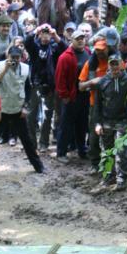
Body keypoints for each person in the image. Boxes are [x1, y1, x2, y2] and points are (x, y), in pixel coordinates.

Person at [0, 45, 45, 173]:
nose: (15, 60)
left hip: (18, 110)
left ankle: (38, 166)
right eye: (12, 57)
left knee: (27, 141)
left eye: (17, 57)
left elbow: (27, 88)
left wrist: (25, 106)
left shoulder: (26, 68)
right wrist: (5, 69)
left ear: (21, 57)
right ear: (7, 56)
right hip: (3, 109)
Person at [93, 54, 127, 190]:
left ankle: (121, 180)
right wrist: (97, 123)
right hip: (106, 120)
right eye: (112, 64)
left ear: (121, 65)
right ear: (108, 65)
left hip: (123, 120)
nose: (114, 67)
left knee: (121, 151)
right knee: (106, 151)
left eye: (117, 64)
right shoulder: (102, 82)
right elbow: (97, 105)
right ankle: (108, 177)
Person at [25, 23, 66, 150]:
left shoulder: (54, 48)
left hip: (49, 87)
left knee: (47, 116)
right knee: (31, 116)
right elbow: (27, 42)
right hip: (35, 85)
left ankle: (44, 143)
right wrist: (35, 31)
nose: (45, 36)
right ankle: (32, 143)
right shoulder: (34, 47)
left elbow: (66, 49)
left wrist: (55, 36)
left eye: (47, 33)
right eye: (43, 33)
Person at [55, 28, 90, 162]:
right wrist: (64, 96)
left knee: (82, 124)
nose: (81, 41)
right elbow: (60, 78)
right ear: (71, 40)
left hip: (85, 95)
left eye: (82, 38)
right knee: (66, 125)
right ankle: (61, 152)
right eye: (78, 39)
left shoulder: (87, 52)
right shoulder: (65, 57)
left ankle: (82, 149)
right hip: (71, 96)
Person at [78, 37, 109, 173]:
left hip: (111, 104)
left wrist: (103, 80)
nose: (99, 53)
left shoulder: (114, 61)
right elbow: (80, 86)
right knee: (94, 136)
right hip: (94, 104)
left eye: (102, 50)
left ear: (107, 49)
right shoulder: (90, 63)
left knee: (109, 135)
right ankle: (94, 163)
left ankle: (109, 165)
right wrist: (93, 82)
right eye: (97, 50)